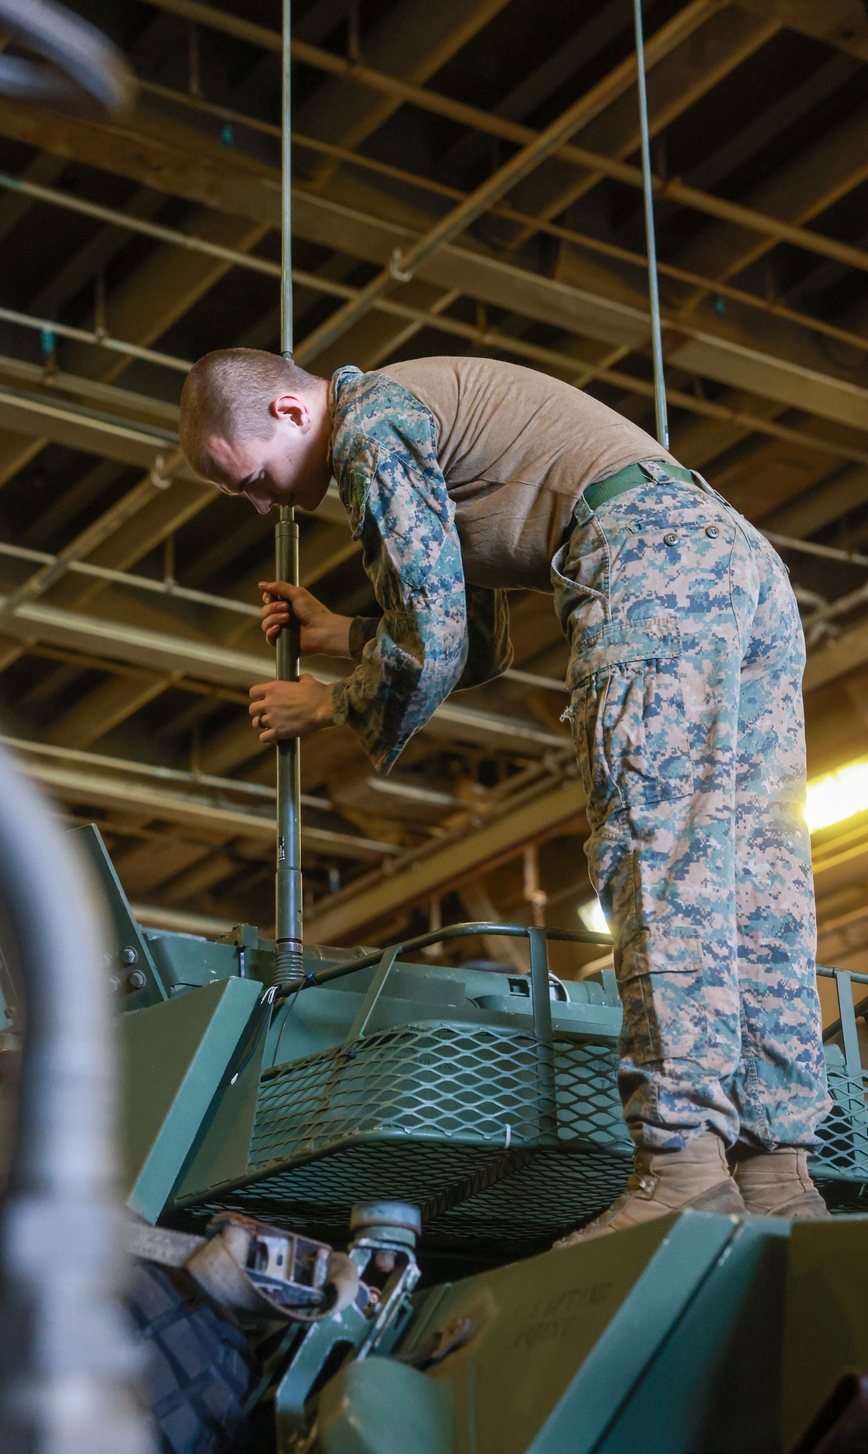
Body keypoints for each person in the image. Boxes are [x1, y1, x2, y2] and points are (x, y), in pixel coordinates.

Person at [178, 347, 832, 1239]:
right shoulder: (428, 416)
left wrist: (331, 704)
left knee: (661, 859)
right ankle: (777, 1170)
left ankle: (682, 1165)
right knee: (757, 877)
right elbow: (481, 639)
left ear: (292, 413)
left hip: (649, 571)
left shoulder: (369, 433)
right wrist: (343, 633)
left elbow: (436, 641)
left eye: (251, 478)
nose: (261, 504)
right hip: (731, 563)